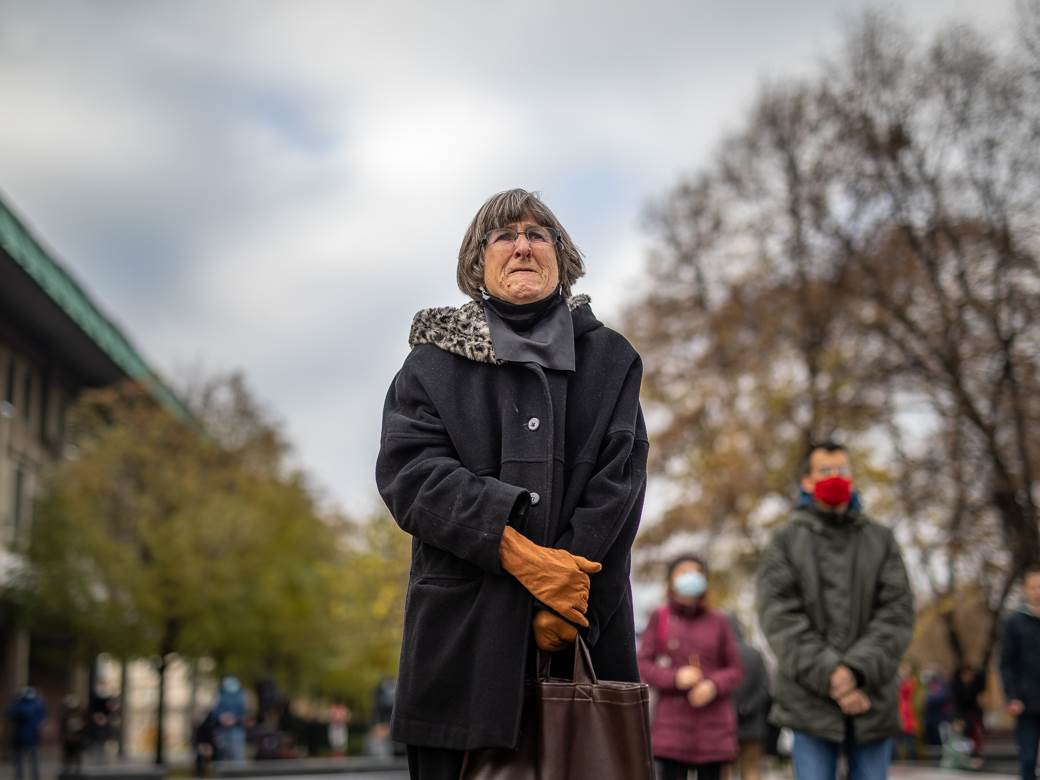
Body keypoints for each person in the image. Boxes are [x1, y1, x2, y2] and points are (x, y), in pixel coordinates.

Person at [376, 188, 649, 780]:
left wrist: (567, 604)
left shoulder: (612, 359)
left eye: (538, 234)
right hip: (460, 645)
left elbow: (618, 489)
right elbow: (411, 474)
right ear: (479, 263)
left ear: (561, 258)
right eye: (504, 235)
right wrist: (522, 556)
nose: (522, 245)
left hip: (583, 640)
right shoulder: (428, 364)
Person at [756, 440, 914, 780]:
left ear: (853, 477)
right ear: (807, 482)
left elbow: (897, 615)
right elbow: (779, 618)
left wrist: (855, 671)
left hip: (872, 699)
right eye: (825, 471)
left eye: (841, 470)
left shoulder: (881, 539)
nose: (834, 477)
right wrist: (832, 675)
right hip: (809, 704)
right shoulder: (784, 542)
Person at [637, 555, 743, 780]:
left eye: (696, 572)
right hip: (671, 730)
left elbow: (735, 669)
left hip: (714, 729)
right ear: (671, 580)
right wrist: (675, 678)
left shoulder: (720, 621)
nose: (690, 577)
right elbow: (643, 663)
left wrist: (713, 685)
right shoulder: (660, 617)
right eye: (683, 572)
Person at [999, 564, 1040, 780]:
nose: (1038, 591)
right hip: (1025, 704)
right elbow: (1006, 663)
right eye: (1033, 587)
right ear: (1025, 589)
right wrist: (1011, 696)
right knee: (1027, 759)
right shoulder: (1013, 623)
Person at [726, 613, 771, 780]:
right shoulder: (755, 654)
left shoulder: (722, 656)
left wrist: (734, 710)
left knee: (725, 771)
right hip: (754, 725)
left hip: (725, 726)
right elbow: (765, 688)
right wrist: (747, 708)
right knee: (752, 769)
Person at [7, 687, 46, 780]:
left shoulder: (22, 704)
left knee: (29, 760)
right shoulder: (37, 704)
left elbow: (10, 712)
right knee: (28, 760)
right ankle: (30, 777)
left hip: (26, 737)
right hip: (25, 737)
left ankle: (29, 777)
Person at [951, 664, 986, 758]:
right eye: (966, 675)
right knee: (962, 735)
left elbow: (979, 704)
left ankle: (975, 755)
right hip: (961, 715)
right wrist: (957, 718)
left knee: (975, 735)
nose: (969, 677)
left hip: (974, 715)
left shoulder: (976, 686)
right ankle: (963, 756)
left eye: (971, 675)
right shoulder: (956, 687)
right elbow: (955, 704)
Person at [213, 676, 247, 761]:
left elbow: (243, 712)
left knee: (236, 754)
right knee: (223, 754)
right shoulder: (220, 695)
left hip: (236, 729)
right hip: (222, 729)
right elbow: (215, 711)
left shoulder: (241, 696)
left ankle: (237, 773)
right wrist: (221, 718)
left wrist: (234, 719)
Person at [60, 694, 88, 774]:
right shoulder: (65, 715)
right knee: (68, 755)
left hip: (77, 738)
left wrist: (81, 735)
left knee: (77, 754)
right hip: (69, 738)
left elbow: (84, 726)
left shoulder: (80, 714)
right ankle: (67, 768)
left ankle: (77, 769)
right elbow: (63, 727)